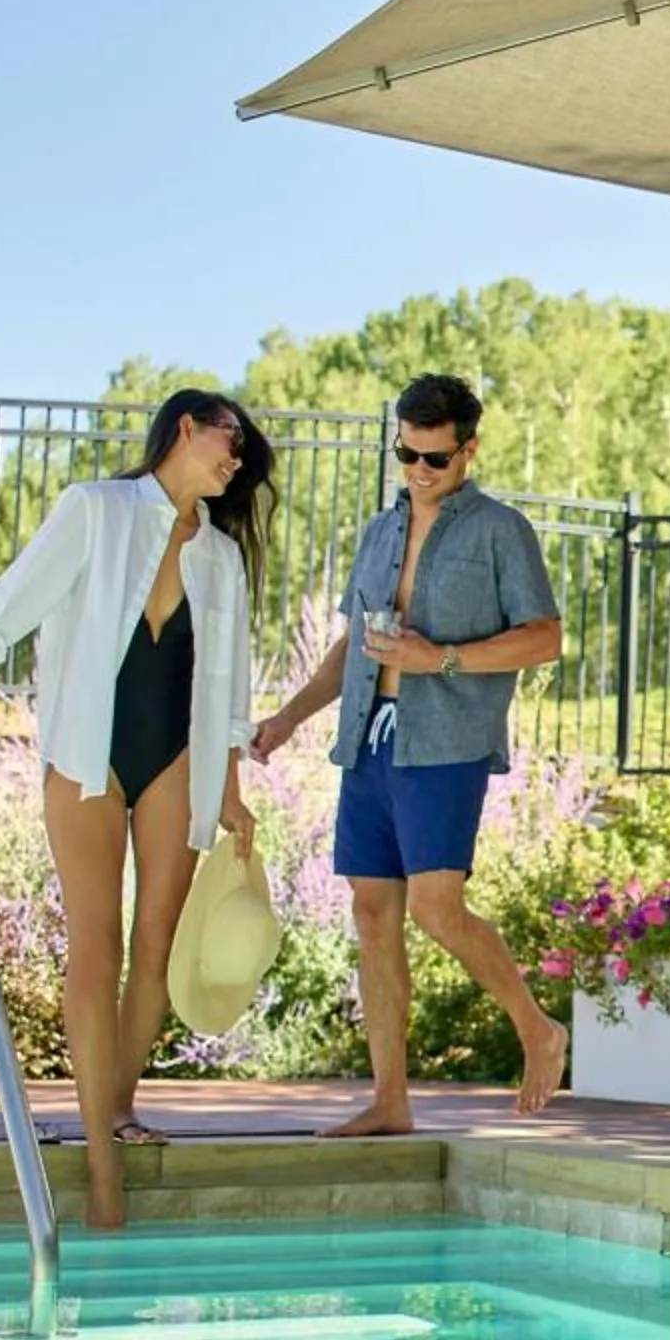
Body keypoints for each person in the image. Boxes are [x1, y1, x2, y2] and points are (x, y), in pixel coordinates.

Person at [0, 390, 272, 1229]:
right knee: (95, 949)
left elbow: (231, 686)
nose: (236, 459)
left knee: (157, 948)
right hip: (85, 753)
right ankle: (104, 1178)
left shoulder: (220, 558)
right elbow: (12, 599)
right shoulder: (96, 511)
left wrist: (233, 792)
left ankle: (116, 1107)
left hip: (180, 756)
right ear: (185, 428)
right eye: (231, 440)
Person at [251, 372, 569, 1133]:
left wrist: (442, 660)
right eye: (409, 455)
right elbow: (350, 646)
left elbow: (544, 638)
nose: (421, 473)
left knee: (436, 908)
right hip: (369, 737)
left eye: (438, 460)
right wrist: (290, 718)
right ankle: (390, 1100)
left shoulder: (500, 530)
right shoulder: (378, 532)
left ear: (468, 451)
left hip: (446, 743)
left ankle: (536, 1027)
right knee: (373, 912)